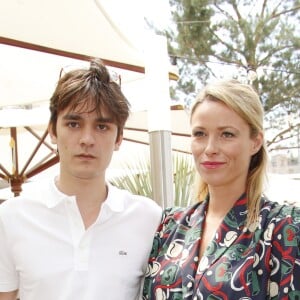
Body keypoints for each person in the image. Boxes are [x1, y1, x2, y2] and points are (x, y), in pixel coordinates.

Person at [0, 59, 162, 300]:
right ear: (53, 131)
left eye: (102, 127)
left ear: (119, 139)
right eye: (74, 124)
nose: (87, 139)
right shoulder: (12, 216)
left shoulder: (149, 218)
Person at [143, 80, 300, 299]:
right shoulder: (170, 226)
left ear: (255, 142)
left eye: (226, 134)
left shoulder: (283, 228)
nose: (210, 148)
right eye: (200, 134)